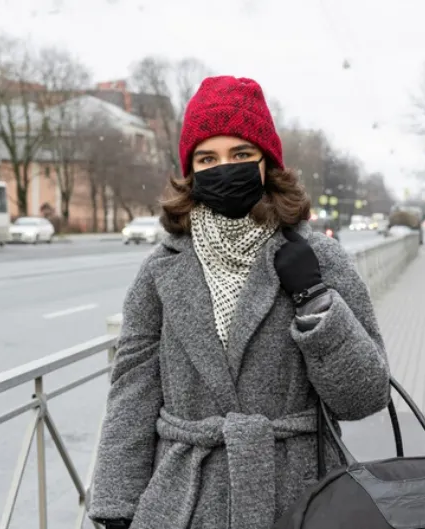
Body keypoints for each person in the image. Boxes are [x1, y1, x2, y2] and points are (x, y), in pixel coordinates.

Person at [87, 76, 391, 529]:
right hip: (183, 501)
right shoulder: (162, 268)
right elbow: (132, 390)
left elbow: (365, 396)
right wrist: (115, 504)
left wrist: (315, 303)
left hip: (301, 497)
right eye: (207, 158)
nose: (223, 168)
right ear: (190, 171)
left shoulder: (317, 256)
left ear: (267, 163)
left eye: (241, 155)